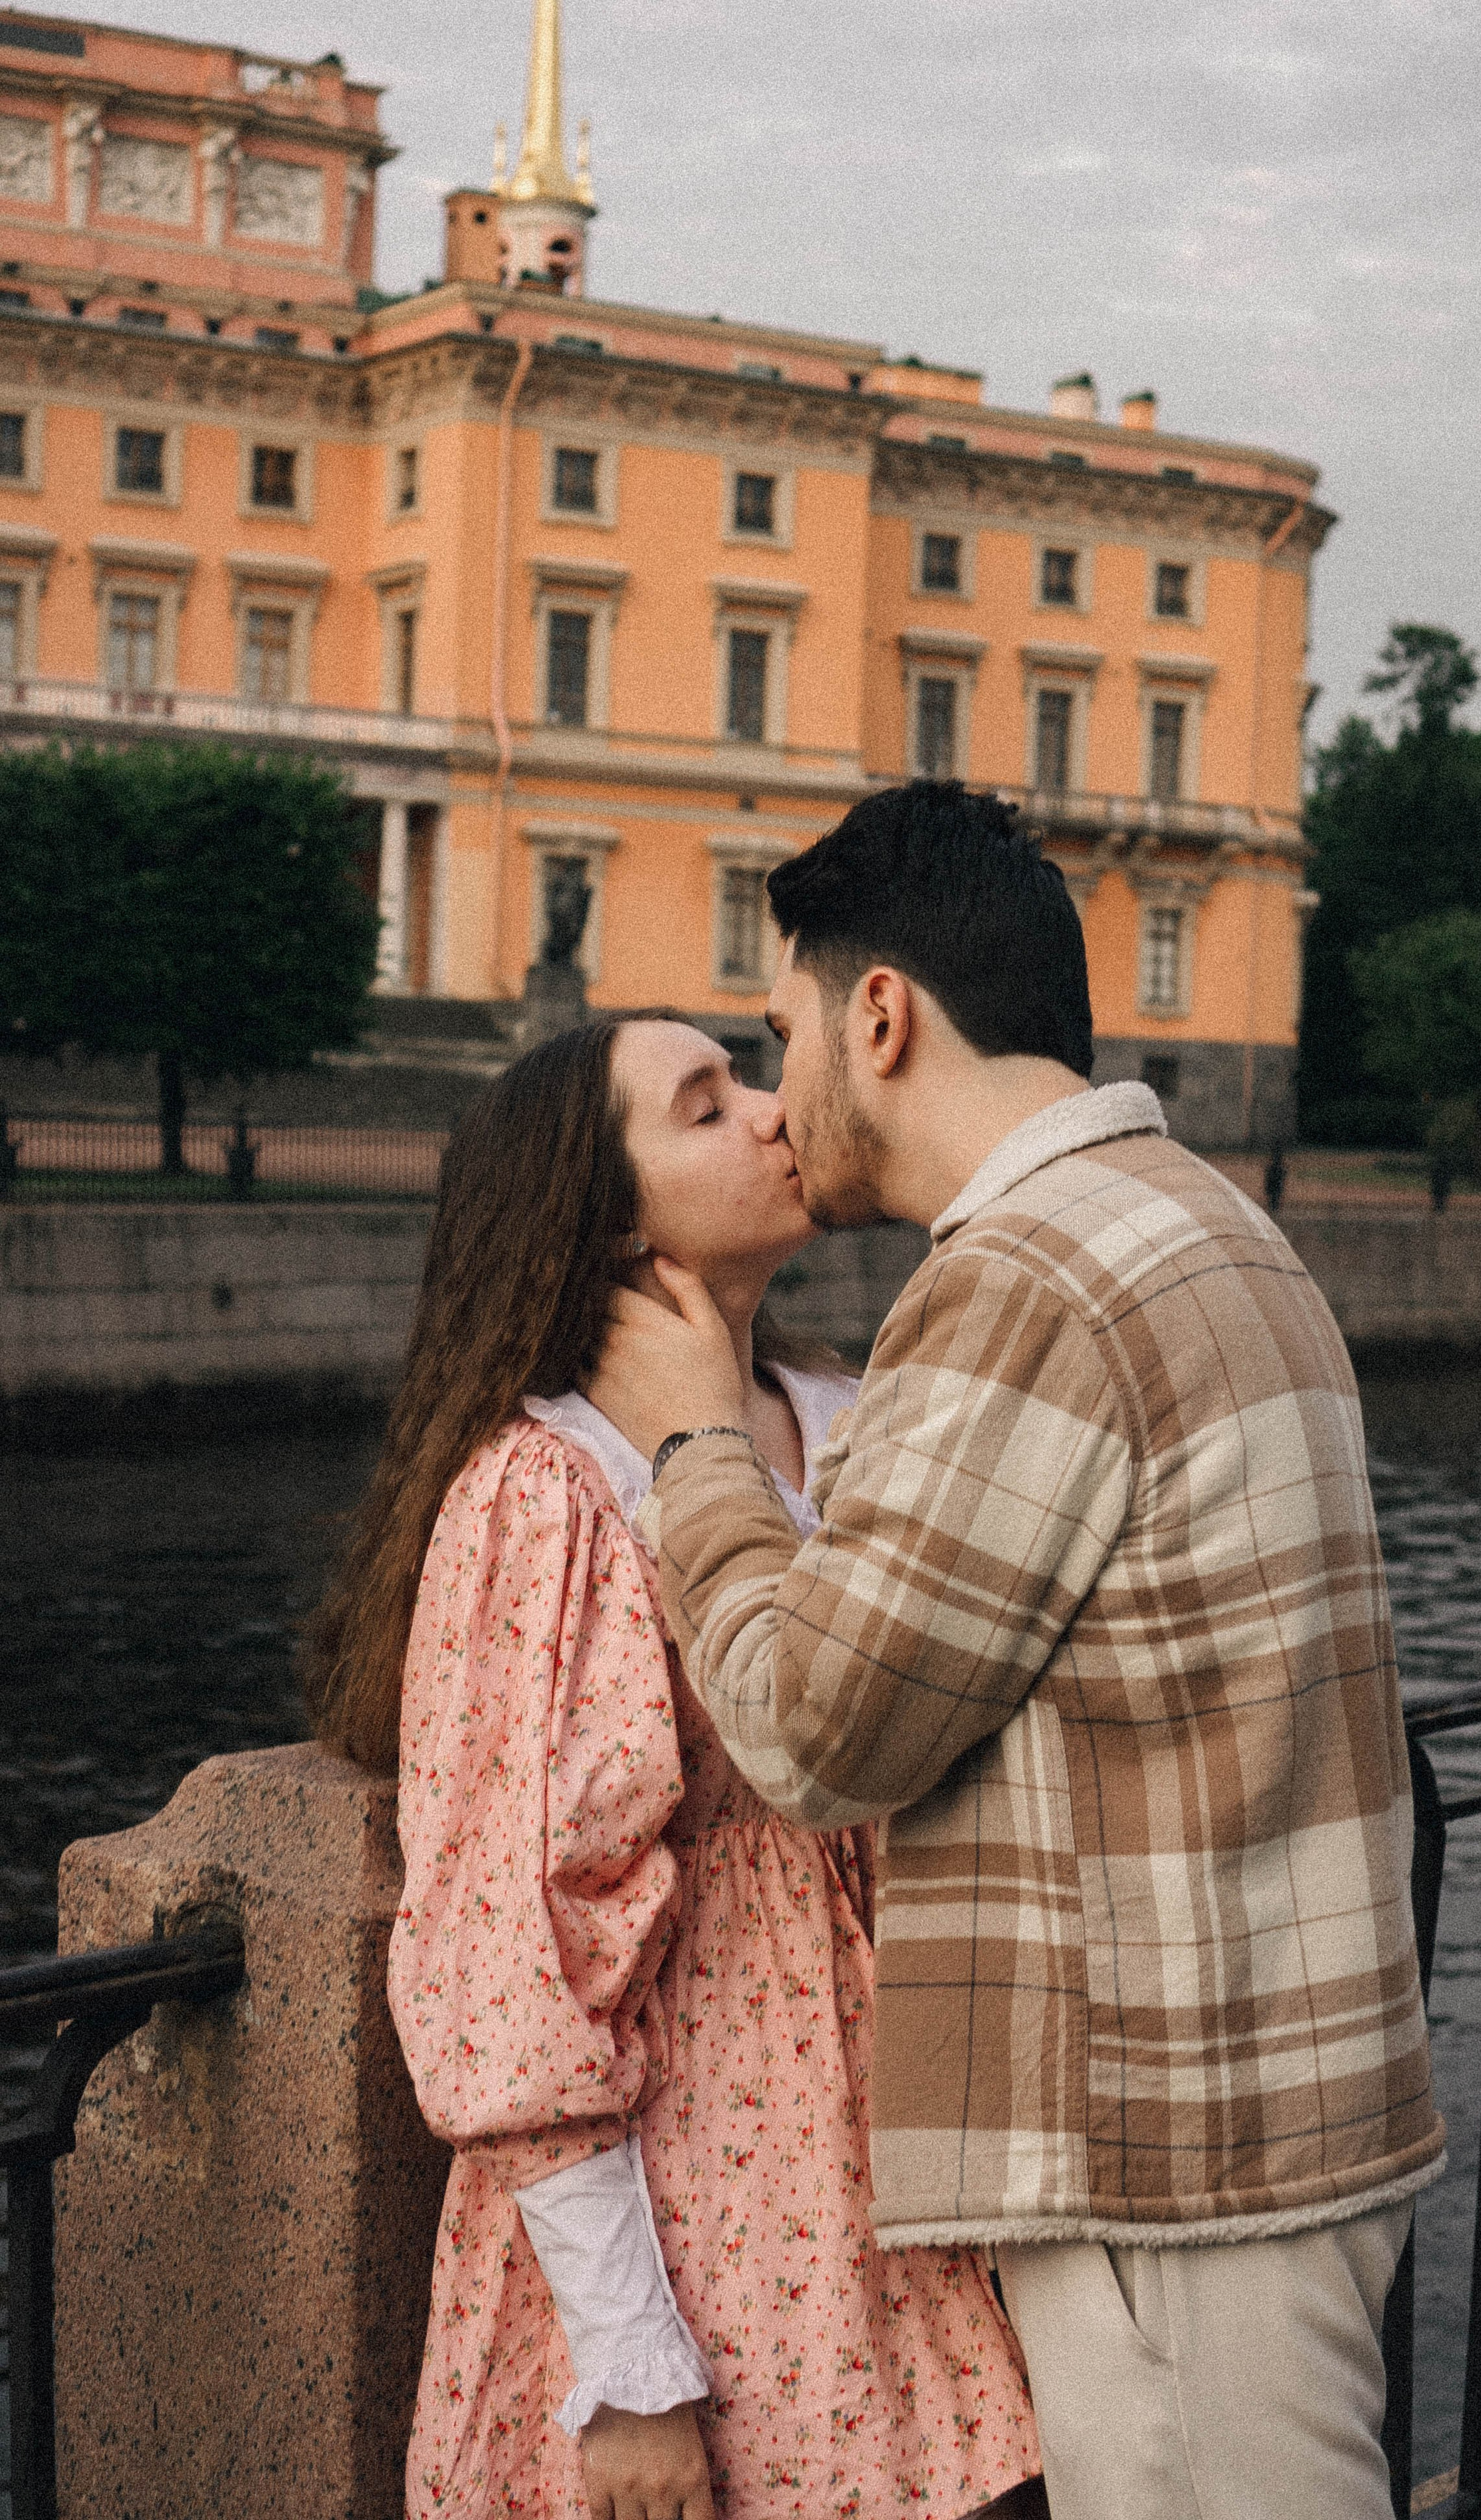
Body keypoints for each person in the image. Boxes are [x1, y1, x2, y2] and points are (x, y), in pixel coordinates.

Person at [585, 784, 1446, 2520]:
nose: (779, 1090)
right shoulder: (1207, 1223)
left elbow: (816, 1731)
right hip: (1280, 2123)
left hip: (1173, 2164)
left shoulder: (1026, 1282)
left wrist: (695, 1448)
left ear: (880, 1014)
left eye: (783, 1029)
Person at [303, 1014, 1044, 2520]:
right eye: (705, 1107)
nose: (777, 1114)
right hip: (698, 2216)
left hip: (919, 2183)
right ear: (604, 1222)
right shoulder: (547, 1492)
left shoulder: (840, 1421)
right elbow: (509, 1949)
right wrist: (629, 2362)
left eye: (747, 1078)